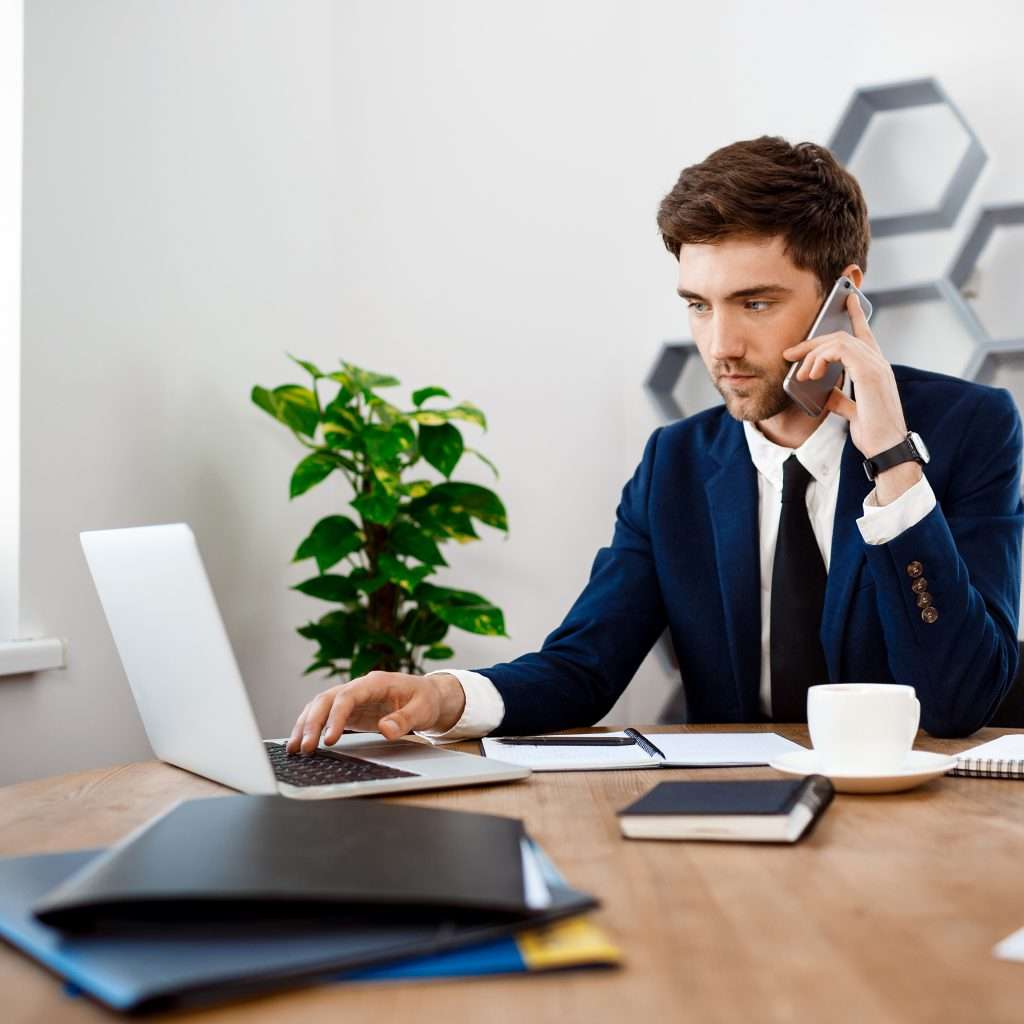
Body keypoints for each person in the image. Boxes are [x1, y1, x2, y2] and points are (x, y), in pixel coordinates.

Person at [287, 136, 1023, 754]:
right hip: (738, 822)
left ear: (845, 295)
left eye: (755, 303)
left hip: (923, 819)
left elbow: (960, 700)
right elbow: (584, 665)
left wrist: (892, 460)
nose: (720, 346)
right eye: (699, 306)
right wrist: (445, 695)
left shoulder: (969, 429)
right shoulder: (674, 465)